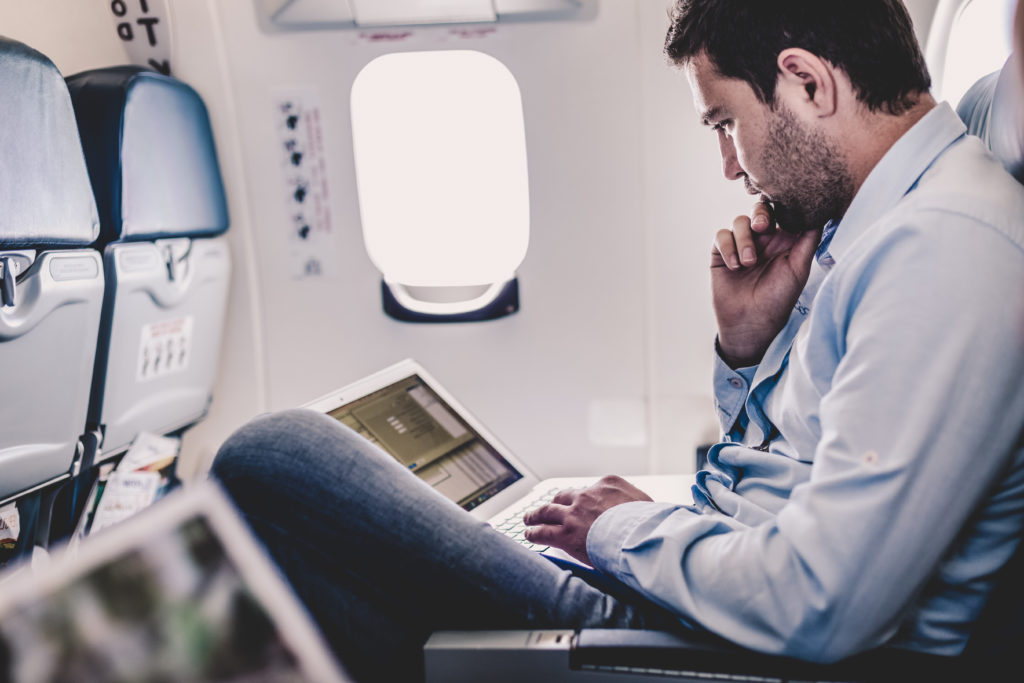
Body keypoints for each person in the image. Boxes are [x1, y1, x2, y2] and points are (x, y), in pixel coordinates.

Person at [210, 1, 1024, 681]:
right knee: (313, 588)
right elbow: (788, 469)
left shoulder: (944, 245)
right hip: (708, 594)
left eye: (725, 123)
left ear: (807, 81)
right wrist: (746, 352)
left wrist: (618, 531)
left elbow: (823, 600)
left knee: (274, 460)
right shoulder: (872, 220)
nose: (730, 167)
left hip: (738, 652)